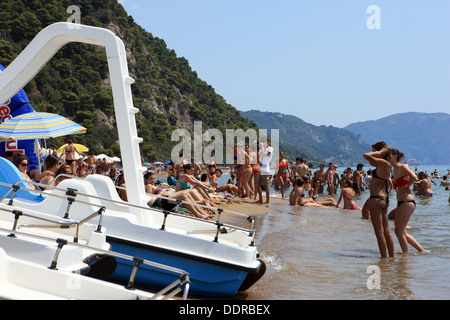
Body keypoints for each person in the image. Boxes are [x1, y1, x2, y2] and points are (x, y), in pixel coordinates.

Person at [388, 148, 427, 253]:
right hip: (401, 202)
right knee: (402, 232)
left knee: (398, 232)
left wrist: (408, 185)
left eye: (389, 155)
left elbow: (414, 176)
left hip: (407, 202)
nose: (387, 157)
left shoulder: (402, 167)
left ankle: (405, 255)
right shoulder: (394, 170)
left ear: (395, 156)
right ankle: (421, 250)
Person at [363, 142, 395, 258]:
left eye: (375, 151)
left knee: (379, 232)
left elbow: (365, 155)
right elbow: (371, 160)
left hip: (376, 198)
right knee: (387, 232)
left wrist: (380, 152)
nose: (374, 154)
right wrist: (380, 153)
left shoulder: (382, 162)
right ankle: (391, 258)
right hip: (384, 199)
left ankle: (384, 259)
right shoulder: (387, 164)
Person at [144, 172, 214, 219]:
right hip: (161, 200)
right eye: (151, 179)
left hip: (166, 198)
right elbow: (149, 197)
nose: (153, 180)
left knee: (186, 194)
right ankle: (199, 213)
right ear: (146, 180)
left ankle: (201, 212)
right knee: (184, 194)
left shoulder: (153, 186)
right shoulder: (148, 186)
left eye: (154, 178)